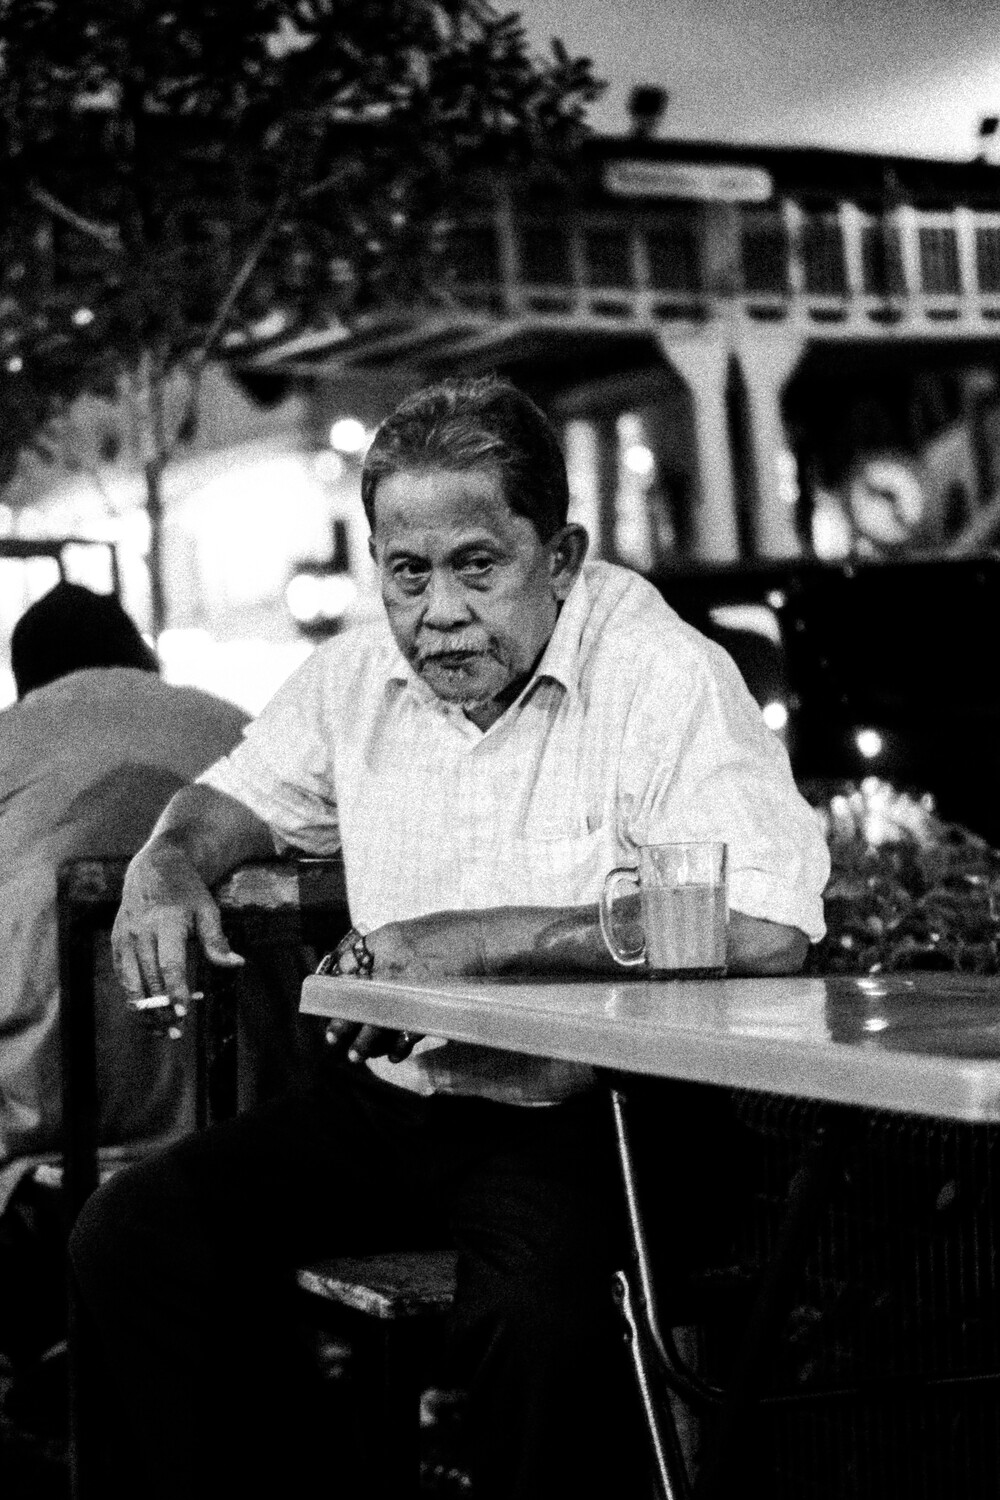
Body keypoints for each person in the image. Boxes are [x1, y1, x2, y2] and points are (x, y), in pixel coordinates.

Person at [70, 376, 830, 1500]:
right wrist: (164, 864)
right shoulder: (355, 676)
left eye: (478, 565)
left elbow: (767, 926)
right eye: (408, 572)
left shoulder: (661, 673)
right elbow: (226, 803)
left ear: (560, 559)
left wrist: (477, 941)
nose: (439, 612)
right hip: (402, 1106)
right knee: (131, 1238)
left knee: (535, 1326)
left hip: (596, 1115)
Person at [0, 582, 248, 1254]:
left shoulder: (12, 736)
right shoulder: (242, 728)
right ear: (142, 658)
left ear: (29, 683)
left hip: (52, 1127)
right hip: (258, 1110)